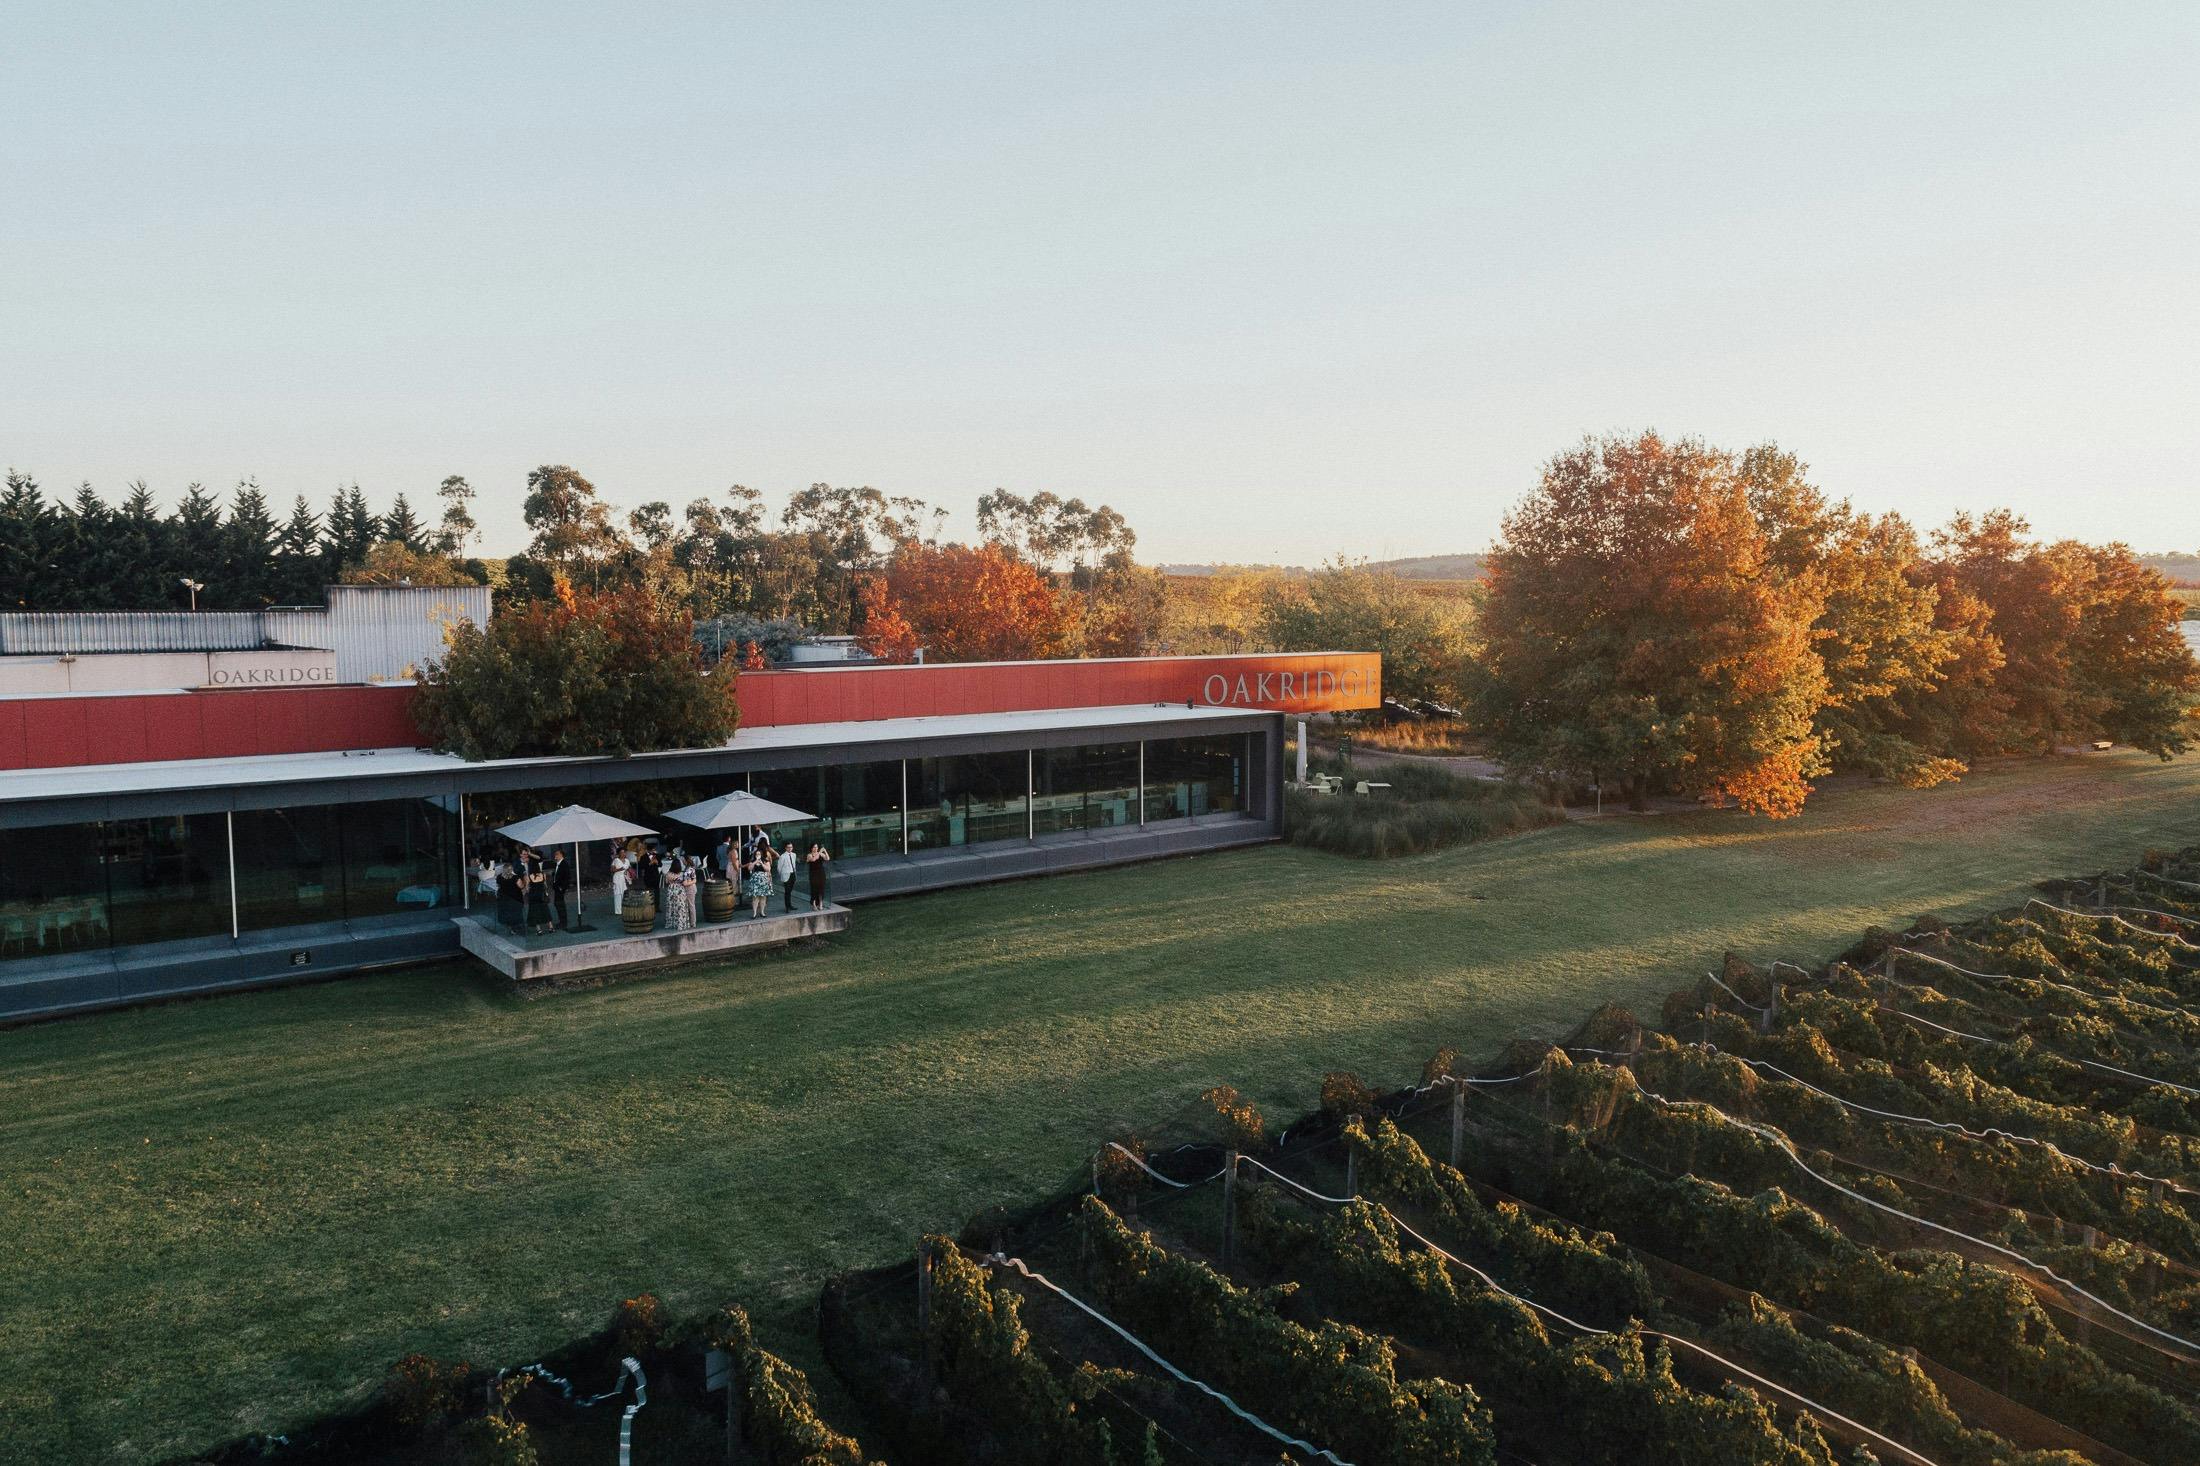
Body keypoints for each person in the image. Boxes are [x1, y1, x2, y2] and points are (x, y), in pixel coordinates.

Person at [663, 853, 696, 931]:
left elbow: (666, 882)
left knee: (671, 907)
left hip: (671, 891)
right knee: (681, 907)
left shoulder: (668, 874)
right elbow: (684, 882)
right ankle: (682, 923)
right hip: (680, 891)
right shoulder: (682, 874)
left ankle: (671, 923)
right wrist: (694, 881)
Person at [523, 851, 551, 936]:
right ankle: (551, 927)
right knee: (545, 910)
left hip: (533, 896)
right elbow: (545, 886)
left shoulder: (528, 876)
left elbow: (527, 889)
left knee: (534, 912)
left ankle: (539, 930)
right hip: (541, 895)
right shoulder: (543, 874)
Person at [743, 850, 772, 919]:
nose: (758, 855)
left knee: (763, 897)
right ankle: (754, 913)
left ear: (761, 855)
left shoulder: (765, 861)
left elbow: (768, 869)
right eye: (756, 854)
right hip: (755, 880)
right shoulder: (752, 861)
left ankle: (762, 912)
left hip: (763, 880)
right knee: (755, 897)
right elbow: (749, 868)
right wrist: (755, 862)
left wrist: (762, 863)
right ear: (754, 855)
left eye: (759, 854)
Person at [549, 848, 573, 931]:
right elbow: (558, 874)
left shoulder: (564, 864)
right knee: (558, 904)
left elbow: (567, 877)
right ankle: (562, 921)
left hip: (560, 888)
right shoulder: (558, 864)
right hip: (557, 888)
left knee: (560, 904)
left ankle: (563, 922)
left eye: (557, 854)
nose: (555, 856)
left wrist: (562, 887)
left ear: (561, 855)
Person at [774, 840, 798, 912]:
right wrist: (782, 874)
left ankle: (790, 905)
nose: (790, 849)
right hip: (786, 875)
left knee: (790, 891)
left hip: (792, 874)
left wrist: (794, 872)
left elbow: (794, 864)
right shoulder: (783, 856)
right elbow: (779, 867)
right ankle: (787, 907)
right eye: (788, 847)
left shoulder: (794, 855)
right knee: (787, 891)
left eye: (791, 847)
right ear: (785, 848)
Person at [806, 841, 830, 910]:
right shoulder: (809, 855)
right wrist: (819, 852)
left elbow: (827, 858)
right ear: (811, 848)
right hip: (813, 874)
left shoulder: (820, 854)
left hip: (821, 873)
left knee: (821, 889)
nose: (815, 848)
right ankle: (814, 904)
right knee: (814, 889)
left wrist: (825, 851)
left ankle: (821, 904)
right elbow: (813, 859)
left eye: (816, 847)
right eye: (814, 847)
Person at [610, 846, 630, 915]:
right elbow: (612, 870)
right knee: (618, 894)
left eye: (624, 852)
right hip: (617, 878)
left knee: (624, 893)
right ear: (619, 854)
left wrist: (629, 878)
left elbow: (627, 870)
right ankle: (618, 911)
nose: (623, 853)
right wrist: (619, 869)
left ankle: (624, 909)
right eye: (621, 852)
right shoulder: (616, 860)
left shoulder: (627, 860)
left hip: (624, 878)